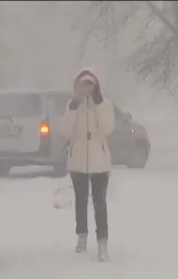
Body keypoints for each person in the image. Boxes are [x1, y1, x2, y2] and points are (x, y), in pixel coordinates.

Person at [59, 68, 115, 262]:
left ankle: (102, 242)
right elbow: (66, 130)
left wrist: (98, 105)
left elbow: (108, 129)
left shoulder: (105, 105)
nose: (87, 90)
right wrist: (74, 106)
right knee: (80, 200)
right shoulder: (73, 105)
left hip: (99, 159)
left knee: (100, 202)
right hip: (78, 158)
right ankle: (81, 235)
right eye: (84, 85)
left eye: (90, 85)